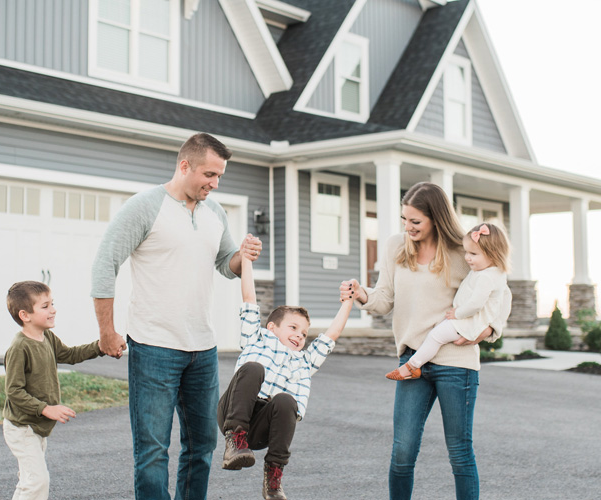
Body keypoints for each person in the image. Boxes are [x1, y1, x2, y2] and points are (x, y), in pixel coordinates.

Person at [90, 132, 262, 500]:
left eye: (220, 177)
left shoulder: (214, 212)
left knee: (202, 448)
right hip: (154, 347)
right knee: (152, 453)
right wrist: (107, 331)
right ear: (184, 165)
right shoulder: (144, 207)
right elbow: (105, 265)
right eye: (209, 175)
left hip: (203, 348)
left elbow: (226, 263)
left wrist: (243, 254)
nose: (215, 184)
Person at [338, 182, 506, 500]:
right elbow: (385, 298)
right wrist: (362, 293)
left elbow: (499, 287)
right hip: (413, 360)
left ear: (435, 218)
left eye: (415, 221)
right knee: (402, 452)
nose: (408, 227)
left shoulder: (462, 248)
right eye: (405, 220)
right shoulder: (395, 247)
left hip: (456, 362)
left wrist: (490, 330)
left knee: (459, 452)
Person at [217, 245, 354, 500]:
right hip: (234, 411)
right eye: (293, 327)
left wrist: (348, 302)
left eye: (303, 334)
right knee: (254, 368)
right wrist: (246, 260)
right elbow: (249, 299)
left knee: (287, 400)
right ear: (272, 327)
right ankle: (234, 441)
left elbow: (331, 334)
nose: (299, 336)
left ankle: (273, 476)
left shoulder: (304, 361)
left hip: (262, 428)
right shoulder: (257, 338)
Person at [1, 280, 107, 500]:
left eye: (52, 304)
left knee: (30, 481)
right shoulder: (20, 347)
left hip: (37, 426)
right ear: (25, 315)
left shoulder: (46, 337)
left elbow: (69, 355)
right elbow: (14, 391)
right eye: (45, 306)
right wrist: (45, 409)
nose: (53, 310)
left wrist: (100, 346)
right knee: (37, 481)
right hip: (22, 427)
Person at [386, 222, 512, 380]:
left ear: (493, 254)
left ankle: (412, 366)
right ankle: (413, 366)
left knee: (435, 336)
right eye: (466, 252)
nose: (467, 258)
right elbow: (507, 300)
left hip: (467, 321)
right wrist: (497, 324)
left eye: (473, 254)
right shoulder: (494, 273)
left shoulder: (486, 277)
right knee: (436, 336)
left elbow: (475, 304)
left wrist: (457, 314)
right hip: (469, 321)